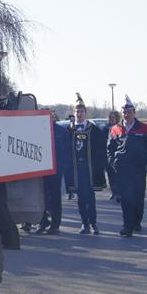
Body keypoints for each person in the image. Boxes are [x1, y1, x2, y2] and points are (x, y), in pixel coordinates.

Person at [108, 95, 147, 237]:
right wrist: (113, 163)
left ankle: (137, 221)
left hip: (138, 169)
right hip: (122, 170)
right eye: (124, 112)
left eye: (129, 112)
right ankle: (127, 226)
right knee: (125, 198)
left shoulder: (145, 128)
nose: (126, 115)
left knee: (138, 198)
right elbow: (109, 149)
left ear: (134, 113)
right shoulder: (115, 129)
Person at [66, 93, 106, 234]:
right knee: (80, 198)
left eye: (81, 111)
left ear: (85, 113)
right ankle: (84, 223)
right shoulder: (69, 130)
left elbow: (101, 150)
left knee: (90, 197)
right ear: (74, 113)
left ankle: (93, 223)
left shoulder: (94, 130)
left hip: (89, 169)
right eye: (77, 111)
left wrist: (99, 167)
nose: (79, 114)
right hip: (76, 169)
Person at [36, 114, 70, 234]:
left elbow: (67, 150)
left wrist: (63, 167)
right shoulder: (39, 130)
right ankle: (43, 222)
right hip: (42, 168)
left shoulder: (61, 131)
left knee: (55, 197)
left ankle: (55, 224)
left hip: (56, 169)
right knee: (42, 196)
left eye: (51, 116)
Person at [105, 110, 122, 201]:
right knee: (110, 175)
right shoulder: (105, 128)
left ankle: (119, 193)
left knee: (117, 176)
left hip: (117, 154)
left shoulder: (120, 128)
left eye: (113, 118)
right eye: (110, 117)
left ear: (117, 119)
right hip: (107, 155)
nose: (111, 119)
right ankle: (113, 192)